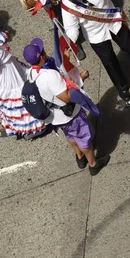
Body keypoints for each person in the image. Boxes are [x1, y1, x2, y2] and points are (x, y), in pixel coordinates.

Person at [23, 38, 110, 176]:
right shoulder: (50, 76)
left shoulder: (32, 73)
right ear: (41, 55)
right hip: (70, 115)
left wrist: (65, 60)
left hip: (57, 118)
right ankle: (93, 164)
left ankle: (80, 157)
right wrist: (81, 79)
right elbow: (66, 96)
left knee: (70, 136)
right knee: (84, 138)